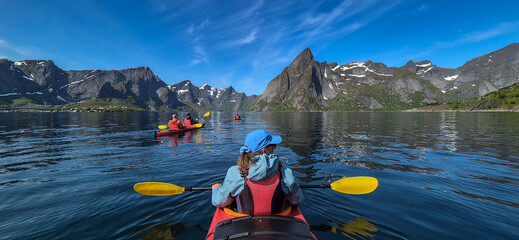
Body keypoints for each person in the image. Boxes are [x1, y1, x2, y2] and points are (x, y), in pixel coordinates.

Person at [211, 130, 303, 215]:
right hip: (278, 224)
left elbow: (219, 202)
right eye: (273, 145)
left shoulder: (235, 172)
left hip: (244, 225)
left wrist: (216, 189)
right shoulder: (285, 173)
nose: (274, 148)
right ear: (264, 150)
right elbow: (296, 201)